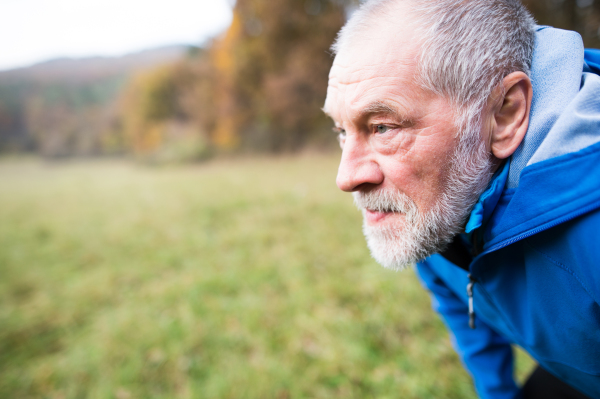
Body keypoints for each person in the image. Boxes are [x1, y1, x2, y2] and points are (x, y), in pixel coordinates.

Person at [323, 0, 600, 398]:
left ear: (504, 114)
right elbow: (461, 308)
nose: (346, 177)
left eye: (383, 127)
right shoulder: (434, 209)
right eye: (343, 131)